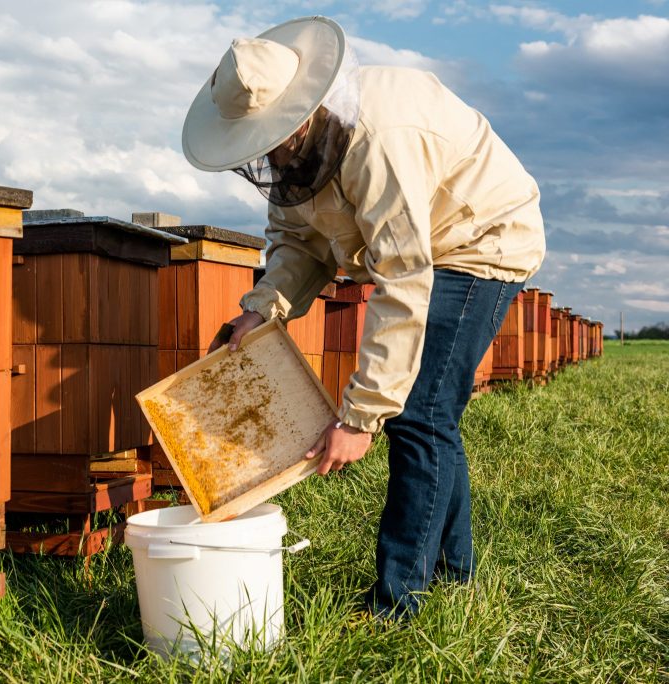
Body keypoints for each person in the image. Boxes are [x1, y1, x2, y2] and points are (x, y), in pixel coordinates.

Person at [181, 16, 545, 617]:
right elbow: (298, 245)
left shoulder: (379, 141)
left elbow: (403, 280)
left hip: (480, 239)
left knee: (417, 415)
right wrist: (260, 311)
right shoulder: (298, 155)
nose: (266, 157)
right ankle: (456, 575)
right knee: (433, 416)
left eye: (269, 141)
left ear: (301, 118)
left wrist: (361, 417)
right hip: (428, 247)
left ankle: (398, 603)